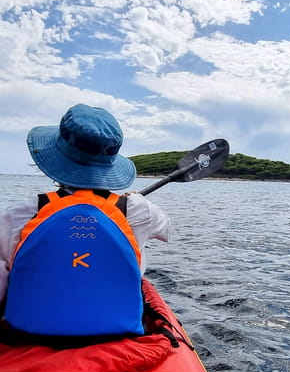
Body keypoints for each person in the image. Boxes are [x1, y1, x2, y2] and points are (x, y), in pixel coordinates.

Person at [0, 104, 169, 339]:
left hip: (29, 332)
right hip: (117, 334)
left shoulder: (20, 213)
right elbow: (166, 231)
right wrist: (133, 202)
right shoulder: (141, 210)